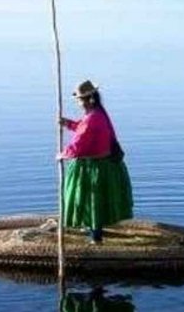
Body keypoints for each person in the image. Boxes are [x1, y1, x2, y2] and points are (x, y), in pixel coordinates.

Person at [57, 80, 134, 243]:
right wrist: (69, 124)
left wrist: (62, 154)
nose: (77, 103)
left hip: (94, 168)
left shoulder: (93, 118)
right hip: (104, 165)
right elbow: (83, 128)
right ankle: (94, 233)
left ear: (88, 99)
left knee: (92, 201)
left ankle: (95, 237)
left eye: (79, 99)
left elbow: (79, 144)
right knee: (95, 202)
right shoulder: (98, 113)